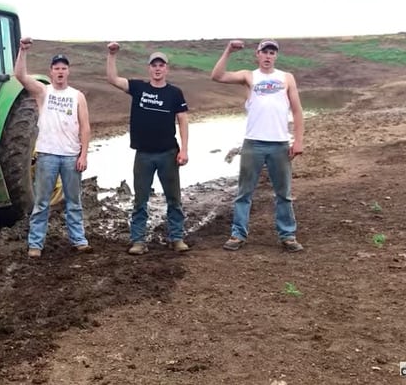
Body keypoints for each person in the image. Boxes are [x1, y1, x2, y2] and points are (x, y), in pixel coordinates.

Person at [210, 39, 305, 252]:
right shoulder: (249, 76)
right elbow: (217, 76)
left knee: (283, 193)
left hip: (280, 144)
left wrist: (298, 140)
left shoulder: (286, 78)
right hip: (253, 143)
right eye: (264, 52)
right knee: (244, 192)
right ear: (258, 54)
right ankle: (238, 234)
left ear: (276, 56)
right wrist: (228, 51)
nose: (268, 56)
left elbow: (297, 111)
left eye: (272, 52)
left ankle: (288, 235)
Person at [106, 42, 190, 255]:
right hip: (143, 154)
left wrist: (184, 150)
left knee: (174, 199)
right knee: (140, 200)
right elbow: (113, 79)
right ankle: (138, 241)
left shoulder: (175, 93)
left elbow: (183, 120)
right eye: (154, 65)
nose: (158, 68)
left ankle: (177, 238)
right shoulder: (138, 88)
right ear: (149, 68)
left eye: (161, 65)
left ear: (166, 69)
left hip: (168, 153)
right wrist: (112, 55)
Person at [14, 37, 92, 258]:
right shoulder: (43, 92)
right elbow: (20, 76)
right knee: (41, 202)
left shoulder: (77, 96)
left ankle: (79, 240)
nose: (60, 72)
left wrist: (83, 155)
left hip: (71, 156)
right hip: (47, 155)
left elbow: (85, 127)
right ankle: (36, 244)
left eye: (63, 68)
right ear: (51, 72)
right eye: (56, 68)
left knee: (74, 202)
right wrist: (23, 50)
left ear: (68, 72)